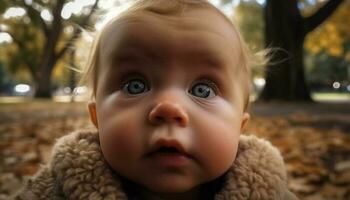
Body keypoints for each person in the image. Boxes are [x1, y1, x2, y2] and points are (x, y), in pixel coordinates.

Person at [14, 0, 298, 199]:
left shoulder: (267, 192)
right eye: (135, 86)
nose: (168, 108)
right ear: (97, 117)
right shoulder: (56, 188)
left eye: (203, 90)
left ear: (240, 124)